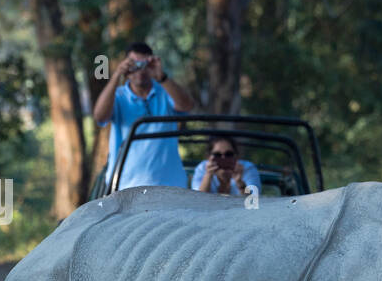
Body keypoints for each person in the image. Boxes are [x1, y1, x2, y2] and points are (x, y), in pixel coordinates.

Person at [93, 42, 195, 191]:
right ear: (125, 67)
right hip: (126, 187)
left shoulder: (166, 91)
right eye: (134, 64)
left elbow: (187, 106)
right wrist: (116, 76)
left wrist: (162, 77)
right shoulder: (118, 96)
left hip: (171, 186)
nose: (140, 71)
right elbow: (100, 117)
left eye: (144, 64)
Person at [191, 135, 260, 196]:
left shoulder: (248, 169)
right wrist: (208, 175)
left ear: (236, 156)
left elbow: (252, 203)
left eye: (228, 154)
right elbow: (198, 200)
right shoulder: (202, 169)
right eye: (217, 155)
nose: (223, 158)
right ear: (209, 157)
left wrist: (240, 183)